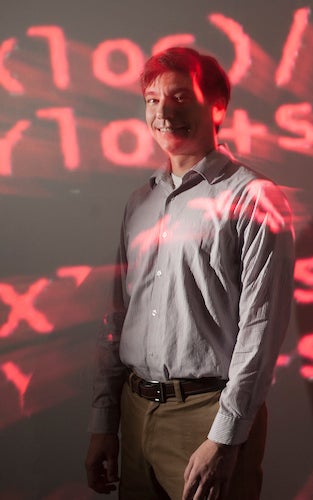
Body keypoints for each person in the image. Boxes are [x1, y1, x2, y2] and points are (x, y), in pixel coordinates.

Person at [84, 47, 294, 499]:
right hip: (134, 409)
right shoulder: (139, 202)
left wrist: (224, 436)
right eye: (153, 99)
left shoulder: (254, 198)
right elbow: (116, 316)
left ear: (217, 108)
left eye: (181, 97)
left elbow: (262, 328)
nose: (164, 113)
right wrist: (105, 421)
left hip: (209, 415)